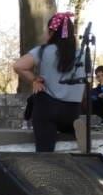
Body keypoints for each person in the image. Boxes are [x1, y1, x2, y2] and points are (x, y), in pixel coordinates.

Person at [12, 12, 88, 152]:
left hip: (48, 109)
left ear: (52, 32)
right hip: (72, 110)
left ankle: (46, 158)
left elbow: (18, 66)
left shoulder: (42, 51)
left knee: (45, 150)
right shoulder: (82, 55)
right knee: (69, 121)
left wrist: (34, 79)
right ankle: (74, 128)